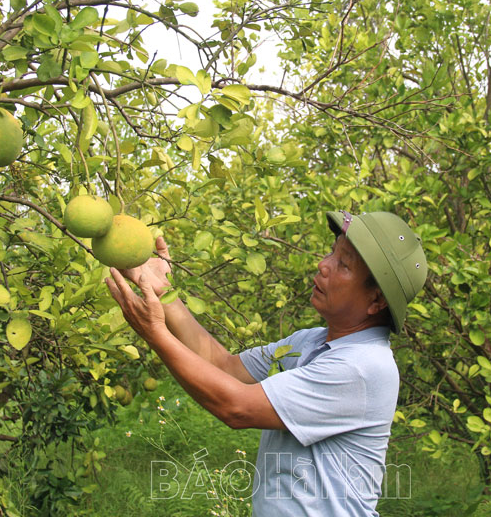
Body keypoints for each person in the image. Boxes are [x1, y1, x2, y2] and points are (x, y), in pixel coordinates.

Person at [105, 210, 428, 516]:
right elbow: (225, 366)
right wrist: (164, 291)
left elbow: (236, 407)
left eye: (343, 265)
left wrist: (155, 333)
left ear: (377, 300)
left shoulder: (362, 367)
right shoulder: (312, 341)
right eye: (332, 252)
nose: (323, 264)